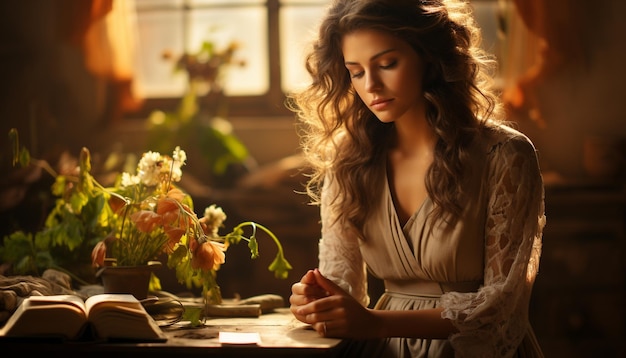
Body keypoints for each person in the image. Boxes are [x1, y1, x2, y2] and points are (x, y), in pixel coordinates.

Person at [286, 0, 546, 357]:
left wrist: (377, 323)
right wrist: (317, 301)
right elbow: (343, 281)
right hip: (381, 349)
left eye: (387, 63)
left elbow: (501, 305)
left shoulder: (504, 155)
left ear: (429, 56)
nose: (372, 85)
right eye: (356, 71)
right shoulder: (350, 161)